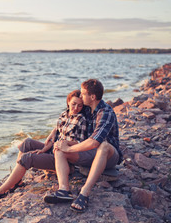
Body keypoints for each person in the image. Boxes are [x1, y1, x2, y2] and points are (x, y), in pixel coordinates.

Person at [0, 89, 89, 203]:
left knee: (27, 157)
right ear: (68, 101)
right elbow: (55, 137)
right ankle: (17, 181)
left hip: (63, 157)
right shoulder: (64, 115)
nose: (75, 108)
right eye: (73, 104)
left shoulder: (81, 119)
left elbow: (80, 142)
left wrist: (64, 144)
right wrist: (44, 148)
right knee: (27, 143)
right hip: (52, 149)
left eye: (79, 105)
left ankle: (0, 192)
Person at [44, 79, 123, 213]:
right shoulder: (87, 108)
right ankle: (64, 190)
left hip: (109, 155)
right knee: (59, 147)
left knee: (103, 145)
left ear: (92, 97)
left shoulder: (105, 112)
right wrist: (54, 132)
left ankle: (84, 193)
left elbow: (94, 142)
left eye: (83, 94)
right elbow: (69, 115)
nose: (81, 96)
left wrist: (69, 149)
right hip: (90, 152)